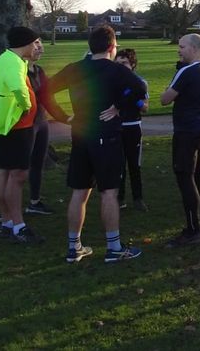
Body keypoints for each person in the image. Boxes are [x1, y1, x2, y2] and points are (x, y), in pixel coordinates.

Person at [50, 25, 147, 263]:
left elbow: (45, 90)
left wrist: (63, 116)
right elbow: (140, 89)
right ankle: (113, 247)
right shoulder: (116, 70)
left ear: (89, 46)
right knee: (109, 192)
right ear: (112, 47)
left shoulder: (74, 69)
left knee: (79, 192)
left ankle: (74, 246)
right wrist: (120, 107)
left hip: (81, 133)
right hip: (107, 136)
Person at [0, 26, 43, 243]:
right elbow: (18, 88)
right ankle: (18, 226)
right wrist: (26, 105)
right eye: (35, 43)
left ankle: (7, 222)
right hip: (16, 127)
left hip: (7, 126)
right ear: (25, 43)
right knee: (18, 175)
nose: (38, 46)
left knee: (5, 172)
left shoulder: (8, 59)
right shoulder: (13, 62)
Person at [160, 33, 200, 247]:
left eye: (182, 46)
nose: (179, 50)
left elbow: (165, 99)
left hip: (188, 131)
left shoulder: (186, 71)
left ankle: (193, 230)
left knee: (185, 177)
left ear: (194, 48)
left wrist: (167, 88)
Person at [25, 45, 71, 217]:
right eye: (36, 45)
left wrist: (64, 118)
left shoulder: (39, 71)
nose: (40, 49)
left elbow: (47, 98)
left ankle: (34, 202)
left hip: (41, 122)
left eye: (40, 45)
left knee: (37, 164)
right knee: (17, 169)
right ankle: (7, 213)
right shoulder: (17, 73)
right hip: (24, 125)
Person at [113, 48, 149, 212]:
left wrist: (137, 101)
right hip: (116, 128)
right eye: (117, 63)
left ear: (133, 65)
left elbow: (145, 108)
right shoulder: (111, 82)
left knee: (134, 165)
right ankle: (119, 199)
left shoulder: (140, 82)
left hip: (133, 127)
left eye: (124, 63)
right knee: (118, 165)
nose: (120, 66)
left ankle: (138, 198)